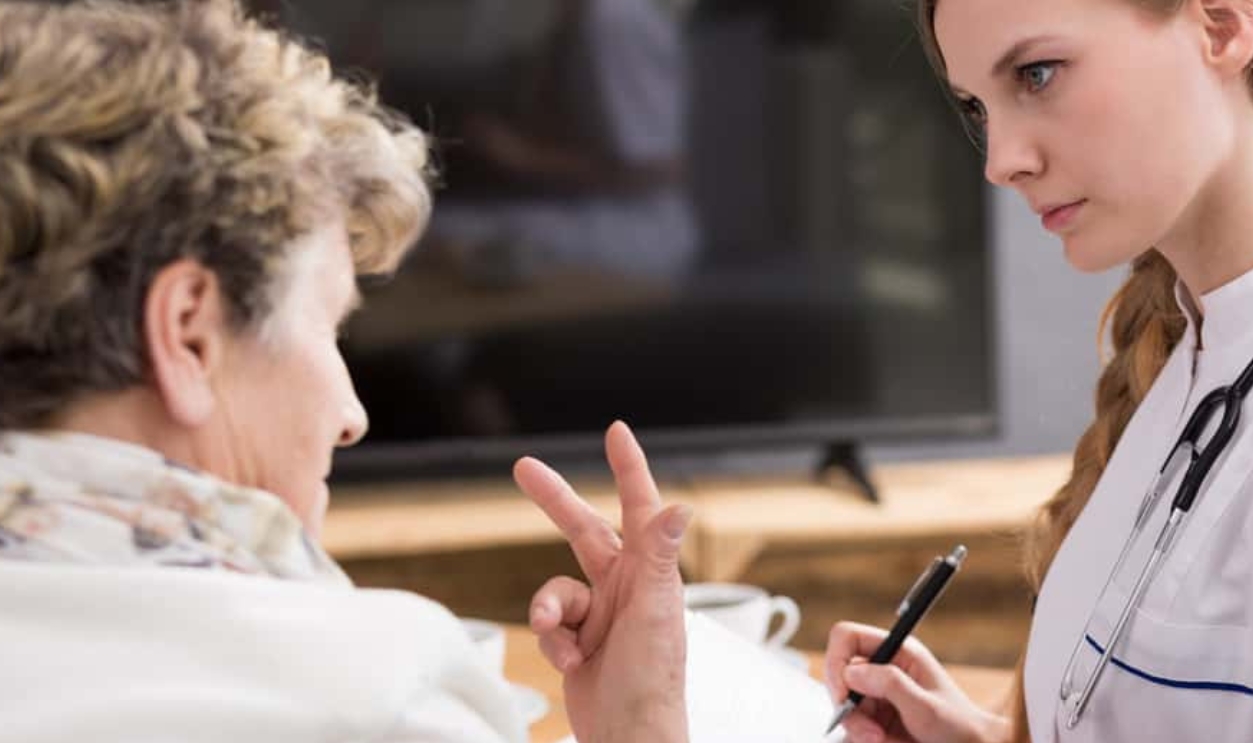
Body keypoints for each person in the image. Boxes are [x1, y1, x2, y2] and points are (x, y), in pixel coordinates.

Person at [0, 1, 692, 742]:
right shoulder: (380, 697)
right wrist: (641, 724)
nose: (351, 411)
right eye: (327, 325)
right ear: (189, 334)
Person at [823, 0, 1253, 742]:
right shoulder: (1178, 364)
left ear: (1219, 23)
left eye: (1037, 73)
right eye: (976, 107)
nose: (999, 162)